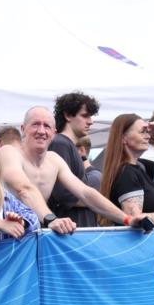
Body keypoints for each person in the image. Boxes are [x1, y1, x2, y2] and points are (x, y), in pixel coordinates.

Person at [0, 106, 152, 234]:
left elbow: (85, 193)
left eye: (47, 126)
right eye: (35, 124)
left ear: (54, 133)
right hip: (4, 239)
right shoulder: (9, 152)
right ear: (23, 129)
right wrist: (51, 219)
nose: (41, 131)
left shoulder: (54, 159)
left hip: (32, 237)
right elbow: (23, 188)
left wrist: (127, 219)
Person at [49, 91, 100, 226]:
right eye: (85, 116)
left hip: (75, 230)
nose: (90, 121)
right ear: (67, 115)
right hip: (70, 231)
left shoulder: (66, 144)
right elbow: (64, 195)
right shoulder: (60, 143)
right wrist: (98, 201)